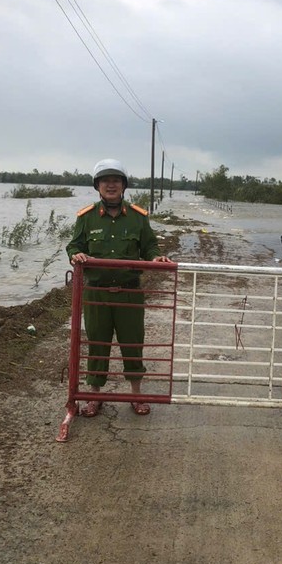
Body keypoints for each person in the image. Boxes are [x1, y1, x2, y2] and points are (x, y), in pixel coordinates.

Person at [66, 158, 172, 417]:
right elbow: (74, 245)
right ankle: (94, 396)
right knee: (97, 345)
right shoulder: (86, 217)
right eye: (105, 181)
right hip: (96, 293)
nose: (110, 185)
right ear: (97, 186)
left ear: (124, 186)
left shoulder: (138, 217)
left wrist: (156, 258)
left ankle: (136, 396)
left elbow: (150, 247)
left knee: (133, 344)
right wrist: (76, 255)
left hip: (130, 292)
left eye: (115, 181)